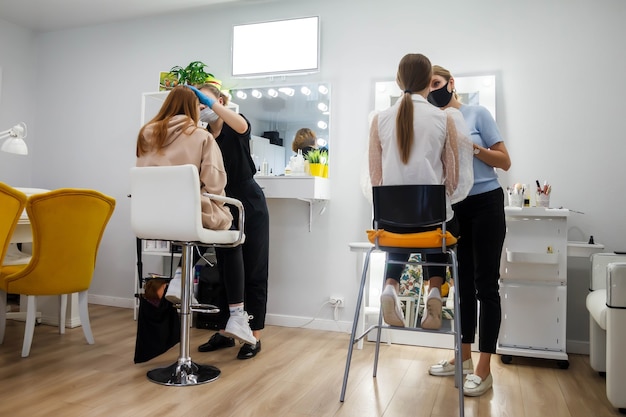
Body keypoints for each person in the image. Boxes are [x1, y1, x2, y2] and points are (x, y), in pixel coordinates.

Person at [135, 85, 256, 348]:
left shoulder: (145, 134)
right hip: (191, 215)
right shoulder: (200, 136)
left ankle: (180, 279)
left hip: (154, 217)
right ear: (194, 107)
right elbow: (214, 184)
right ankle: (236, 314)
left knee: (188, 226)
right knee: (233, 234)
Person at [427, 64, 511, 397]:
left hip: (487, 203)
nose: (433, 90)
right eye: (428, 85)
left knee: (485, 286)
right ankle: (461, 358)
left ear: (450, 83)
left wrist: (470, 147)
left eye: (437, 83)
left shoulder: (477, 114)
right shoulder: (435, 123)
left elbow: (505, 161)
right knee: (461, 286)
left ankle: (484, 368)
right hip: (455, 207)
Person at [369, 53, 462, 332]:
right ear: (428, 82)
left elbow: (376, 179)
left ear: (398, 81)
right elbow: (453, 180)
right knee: (444, 223)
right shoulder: (444, 119)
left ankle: (390, 287)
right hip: (433, 228)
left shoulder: (379, 119)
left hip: (391, 227)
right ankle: (435, 291)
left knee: (399, 223)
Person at [188, 79, 269, 360]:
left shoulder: (236, 125)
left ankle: (253, 336)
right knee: (226, 270)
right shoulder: (204, 136)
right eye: (198, 105)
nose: (203, 108)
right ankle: (226, 331)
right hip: (220, 202)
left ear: (219, 103)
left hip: (249, 201)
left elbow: (242, 126)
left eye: (206, 103)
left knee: (254, 269)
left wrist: (211, 103)